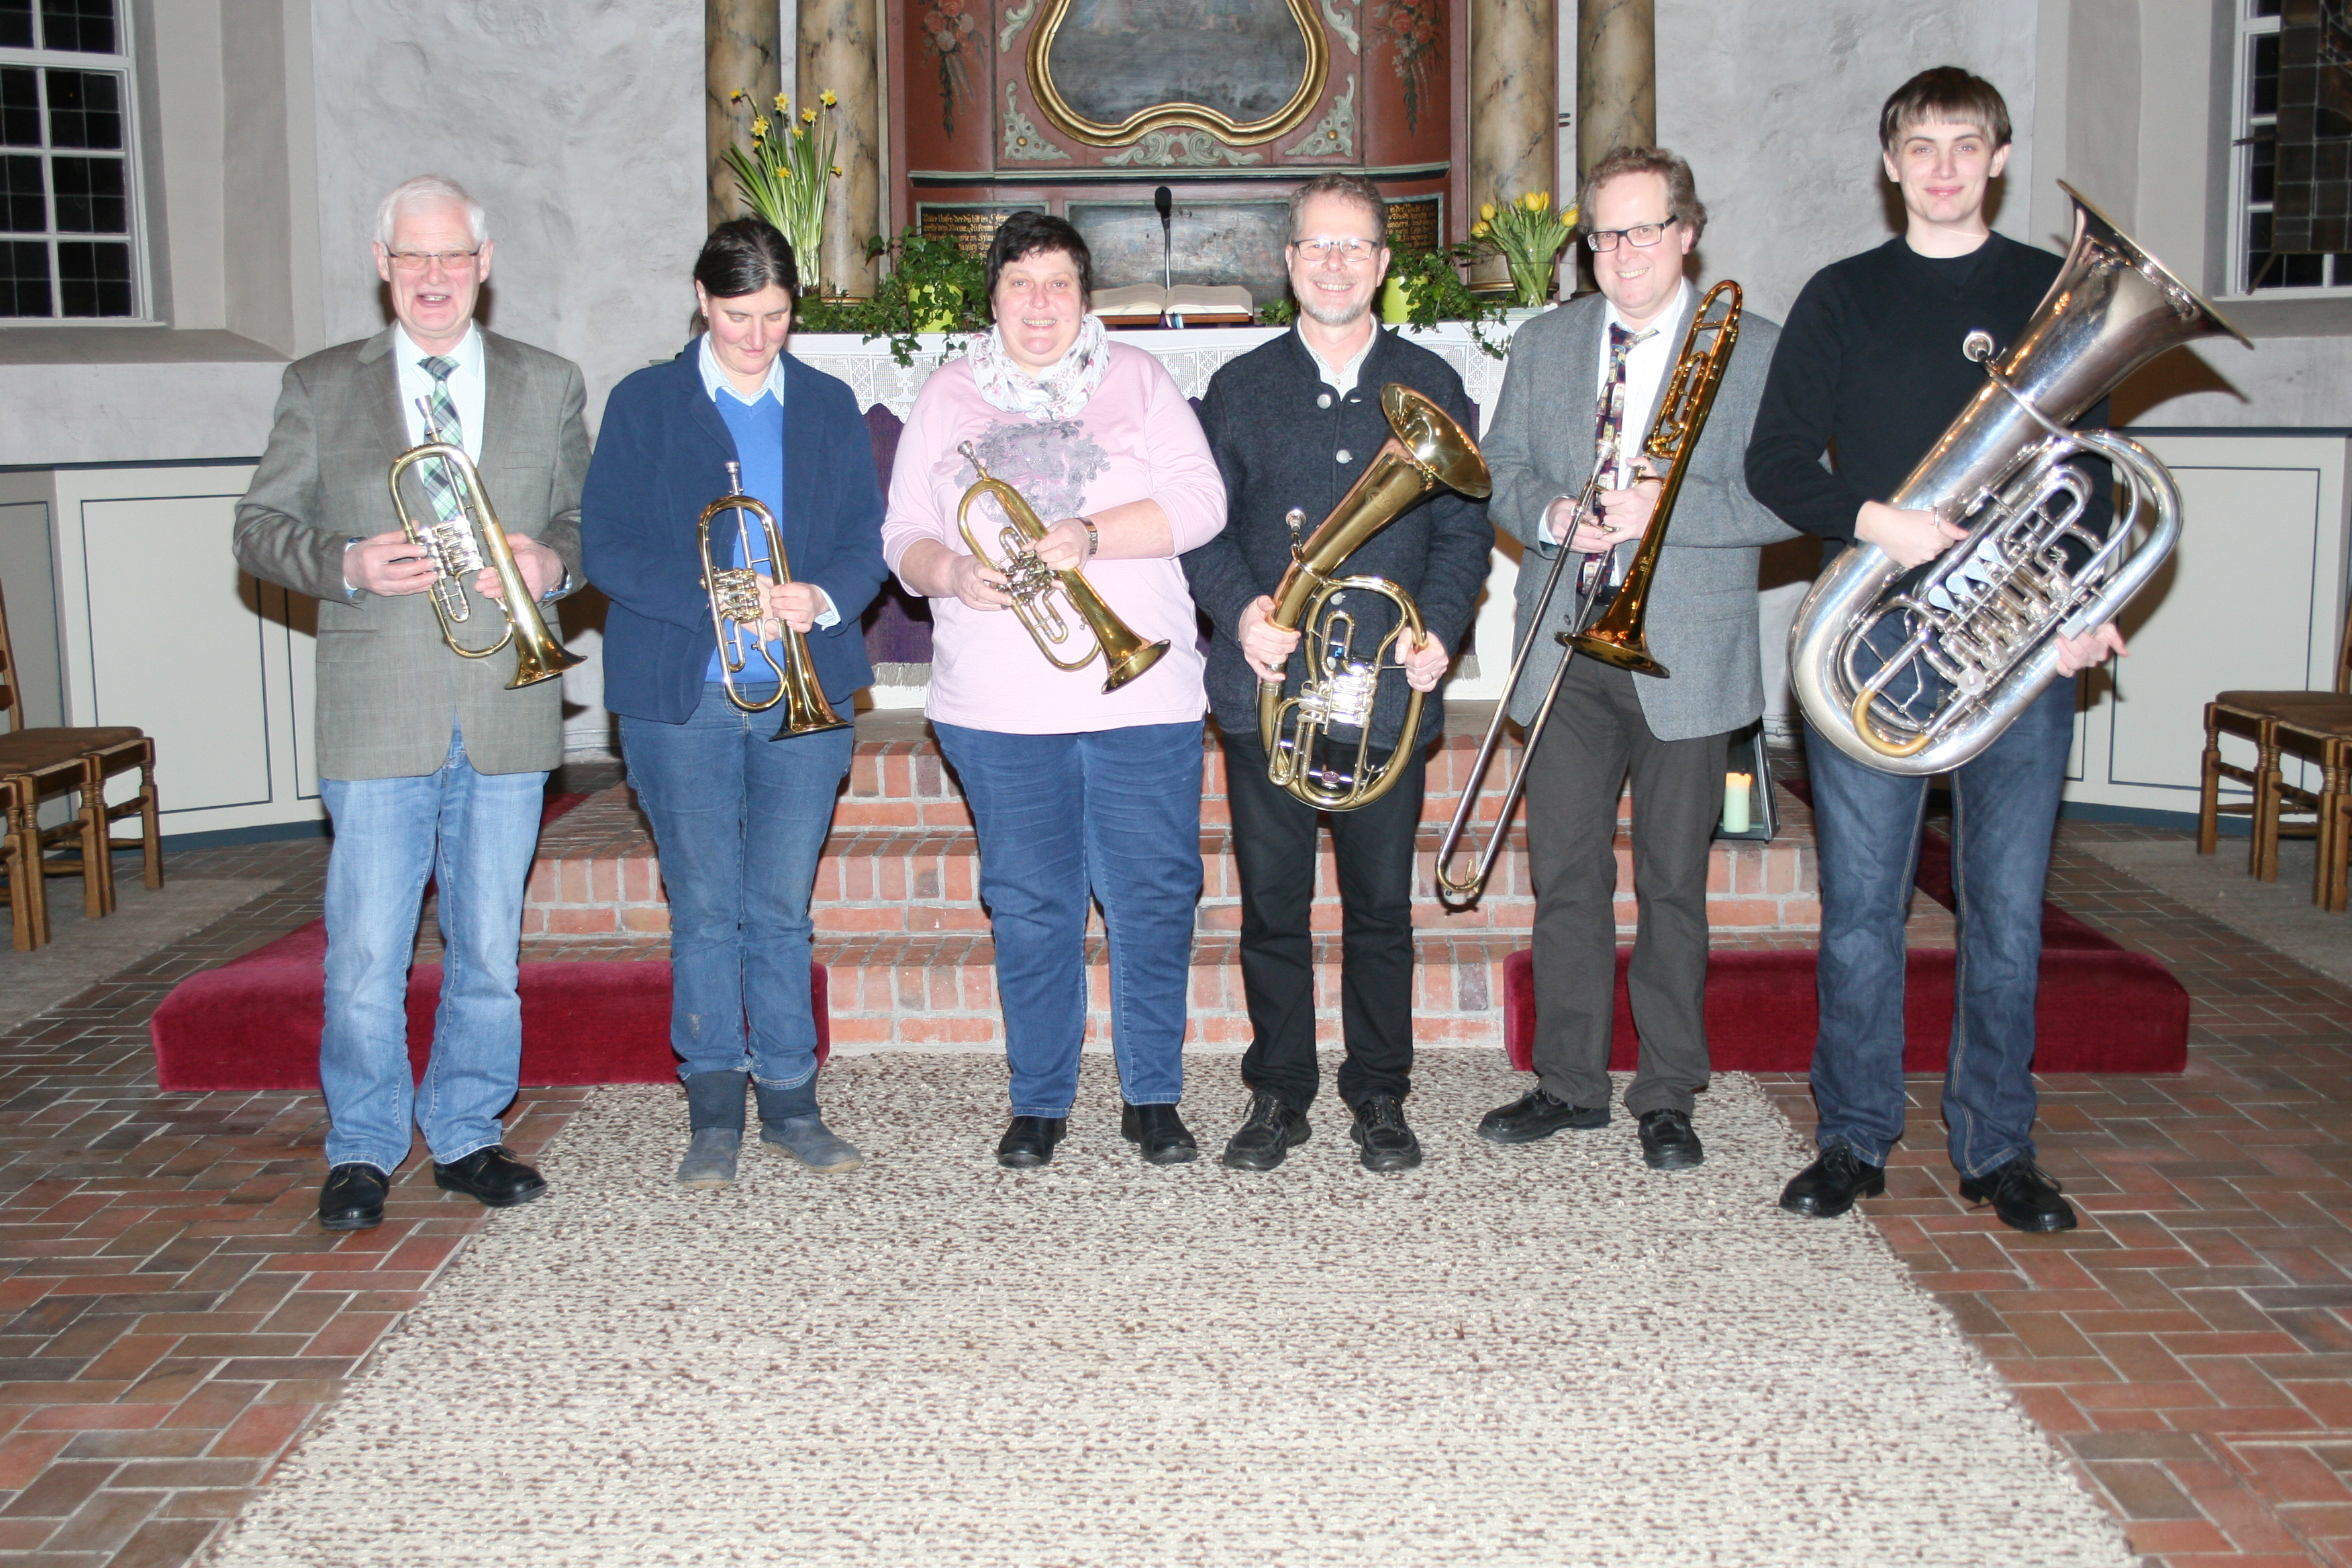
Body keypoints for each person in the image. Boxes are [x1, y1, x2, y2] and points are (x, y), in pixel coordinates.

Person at [1745, 66, 2123, 1233]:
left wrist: (2083, 607)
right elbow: (1776, 462)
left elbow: (2093, 473)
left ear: (1999, 157)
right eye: (1922, 146)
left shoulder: (2050, 294)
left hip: (2017, 647)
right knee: (1861, 913)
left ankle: (1998, 1148)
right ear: (1891, 163)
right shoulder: (1842, 295)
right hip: (1876, 642)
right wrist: (1880, 522)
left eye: (1966, 145)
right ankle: (1854, 1137)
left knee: (2006, 914)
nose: (1944, 167)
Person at [234, 175, 589, 1232]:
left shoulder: (549, 381)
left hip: (505, 703)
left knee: (489, 952)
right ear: (383, 266)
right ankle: (363, 1144)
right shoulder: (318, 385)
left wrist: (551, 562)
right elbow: (258, 527)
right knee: (363, 959)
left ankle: (469, 1131)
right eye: (413, 257)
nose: (434, 276)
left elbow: (588, 518)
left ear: (485, 266)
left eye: (453, 257)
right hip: (377, 705)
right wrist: (345, 562)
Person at [881, 212, 1226, 1169]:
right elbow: (902, 533)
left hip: (1141, 696)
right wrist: (952, 572)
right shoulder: (947, 394)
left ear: (1085, 297)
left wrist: (1091, 534)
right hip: (999, 706)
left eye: (1059, 284)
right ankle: (1039, 1100)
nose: (1040, 304)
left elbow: (1204, 503)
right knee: (1032, 905)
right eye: (1020, 283)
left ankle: (1153, 1095)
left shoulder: (1140, 379)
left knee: (1152, 898)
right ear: (993, 298)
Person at [1476, 148, 1793, 1171]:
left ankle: (1667, 1091)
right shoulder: (1548, 341)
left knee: (1672, 885)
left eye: (1643, 230)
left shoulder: (1754, 349)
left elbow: (1790, 497)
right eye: (1605, 234)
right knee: (1566, 876)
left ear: (1686, 234)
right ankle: (1569, 1082)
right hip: (1565, 646)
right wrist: (1549, 513)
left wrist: (1667, 511)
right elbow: (1500, 469)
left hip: (1685, 656)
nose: (1622, 252)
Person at [1181, 173, 1492, 1174]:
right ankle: (1279, 1091)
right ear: (1289, 262)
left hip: (1386, 692)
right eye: (1317, 244)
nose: (1334, 262)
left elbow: (1464, 531)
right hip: (1271, 689)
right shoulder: (1240, 387)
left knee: (1380, 910)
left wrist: (1438, 629)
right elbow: (1201, 528)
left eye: (1354, 245)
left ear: (1383, 263)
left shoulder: (1431, 380)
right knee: (1273, 908)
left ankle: (1380, 1093)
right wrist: (1242, 612)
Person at [581, 218, 889, 1189]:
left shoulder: (829, 403)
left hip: (804, 681)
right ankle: (713, 1110)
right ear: (702, 302)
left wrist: (823, 596)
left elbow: (867, 539)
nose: (757, 337)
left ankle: (792, 1100)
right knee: (707, 908)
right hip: (684, 691)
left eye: (776, 316)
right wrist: (711, 601)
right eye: (737, 315)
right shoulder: (645, 401)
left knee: (782, 908)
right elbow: (607, 546)